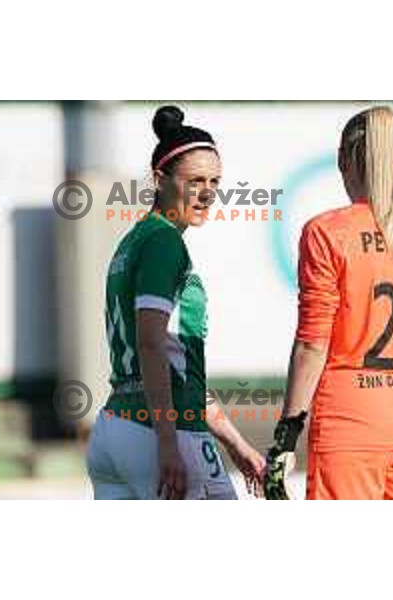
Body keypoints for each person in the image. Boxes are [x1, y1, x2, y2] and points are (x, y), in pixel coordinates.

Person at [264, 106, 393, 500]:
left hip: (351, 423)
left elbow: (313, 345)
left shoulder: (326, 233)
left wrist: (285, 436)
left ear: (343, 161)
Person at [87, 105, 265, 499]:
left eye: (215, 181)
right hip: (160, 434)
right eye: (195, 180)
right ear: (159, 180)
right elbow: (151, 343)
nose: (207, 193)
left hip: (114, 428)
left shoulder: (132, 242)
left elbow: (173, 364)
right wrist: (167, 443)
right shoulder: (164, 242)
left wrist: (235, 442)